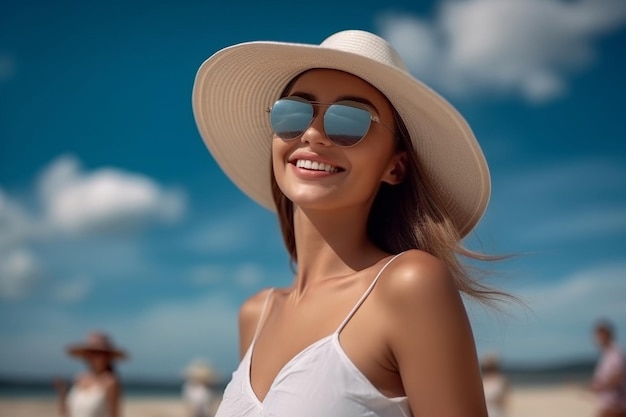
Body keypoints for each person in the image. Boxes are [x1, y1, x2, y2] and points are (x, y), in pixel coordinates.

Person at [192, 29, 503, 416]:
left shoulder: (409, 285)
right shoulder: (256, 313)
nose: (311, 134)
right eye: (292, 113)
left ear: (395, 165)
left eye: (350, 121)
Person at [55, 331, 127, 417]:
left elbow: (115, 415)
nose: (94, 357)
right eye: (91, 353)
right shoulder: (79, 378)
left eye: (99, 353)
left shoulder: (110, 382)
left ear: (108, 356)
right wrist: (62, 392)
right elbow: (66, 412)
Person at [591, 320, 626, 417]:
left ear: (609, 335)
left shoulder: (616, 353)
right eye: (597, 336)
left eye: (601, 336)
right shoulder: (607, 354)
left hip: (615, 406)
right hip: (609, 405)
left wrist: (600, 387)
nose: (598, 339)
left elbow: (618, 377)